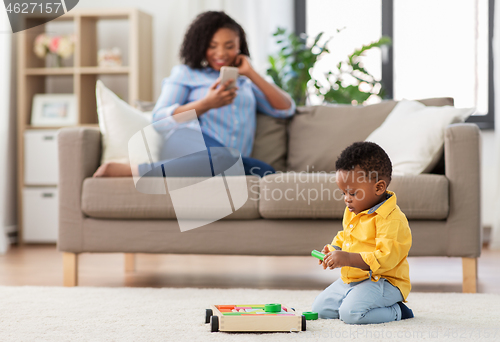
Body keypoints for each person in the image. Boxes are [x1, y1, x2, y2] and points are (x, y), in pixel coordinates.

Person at [94, 11, 295, 179]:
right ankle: (132, 171)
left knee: (267, 172)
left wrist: (251, 73)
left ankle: (219, 166)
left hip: (229, 158)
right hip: (188, 144)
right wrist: (206, 104)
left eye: (229, 46)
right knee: (224, 158)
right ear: (200, 46)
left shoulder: (245, 83)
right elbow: (159, 119)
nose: (221, 53)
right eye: (212, 46)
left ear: (239, 46)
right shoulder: (187, 74)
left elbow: (286, 109)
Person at [311, 142, 414, 324]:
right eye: (343, 193)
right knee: (320, 309)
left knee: (351, 314)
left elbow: (385, 258)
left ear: (379, 188)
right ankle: (356, 298)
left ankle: (398, 310)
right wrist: (333, 248)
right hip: (354, 279)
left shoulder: (391, 219)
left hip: (384, 281)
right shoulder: (353, 210)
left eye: (352, 193)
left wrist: (347, 259)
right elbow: (345, 236)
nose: (346, 199)